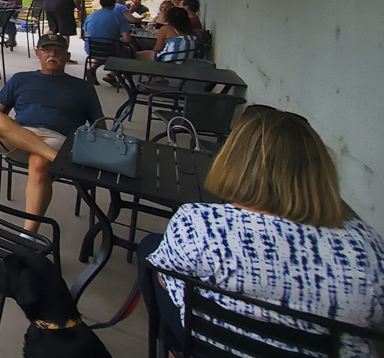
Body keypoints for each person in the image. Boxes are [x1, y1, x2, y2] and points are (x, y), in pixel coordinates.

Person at [140, 106, 384, 356]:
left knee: (149, 249)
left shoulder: (199, 224)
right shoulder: (366, 249)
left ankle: (173, 349)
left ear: (232, 161)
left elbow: (164, 276)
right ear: (318, 172)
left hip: (212, 345)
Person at [0, 34, 103, 231]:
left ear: (67, 56)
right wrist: (10, 126)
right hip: (19, 138)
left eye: (58, 50)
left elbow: (100, 127)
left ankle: (28, 235)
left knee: (39, 162)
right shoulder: (20, 79)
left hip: (57, 139)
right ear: (37, 53)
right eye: (47, 50)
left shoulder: (84, 88)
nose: (52, 54)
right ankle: (59, 161)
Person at [82, 0, 133, 85]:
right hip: (110, 51)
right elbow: (127, 40)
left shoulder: (91, 16)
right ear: (114, 4)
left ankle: (92, 68)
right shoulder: (119, 17)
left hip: (91, 50)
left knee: (103, 51)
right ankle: (111, 75)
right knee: (128, 52)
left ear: (100, 3)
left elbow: (86, 35)